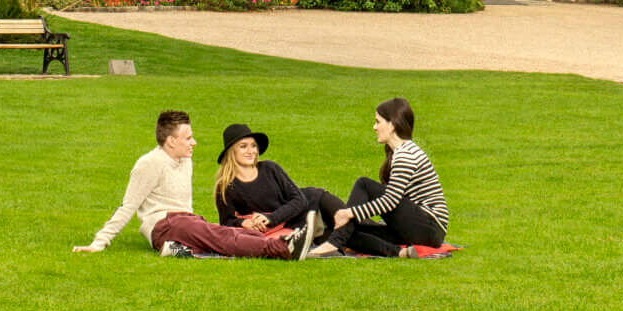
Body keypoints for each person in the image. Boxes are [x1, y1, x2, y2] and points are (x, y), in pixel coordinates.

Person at [75, 109, 299, 258]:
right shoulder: (149, 163)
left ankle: (179, 248)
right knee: (219, 236)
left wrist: (195, 226)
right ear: (171, 141)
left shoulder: (185, 160)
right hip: (164, 224)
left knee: (221, 232)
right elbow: (127, 206)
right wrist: (99, 242)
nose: (194, 142)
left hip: (185, 221)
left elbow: (186, 206)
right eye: (188, 138)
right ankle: (280, 248)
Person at [330, 97, 450, 256]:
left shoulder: (406, 155)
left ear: (392, 125)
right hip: (420, 229)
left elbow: (390, 201)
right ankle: (399, 253)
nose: (374, 127)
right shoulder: (399, 153)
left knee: (363, 184)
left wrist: (349, 213)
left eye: (378, 122)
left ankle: (336, 240)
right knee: (351, 235)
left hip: (429, 227)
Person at [213, 123, 346, 251]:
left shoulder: (270, 168)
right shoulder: (226, 186)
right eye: (243, 146)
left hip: (316, 202)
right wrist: (242, 223)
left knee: (356, 222)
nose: (251, 151)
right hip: (298, 224)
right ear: (231, 152)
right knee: (352, 240)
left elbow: (300, 200)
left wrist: (270, 218)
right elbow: (226, 222)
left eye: (253, 146)